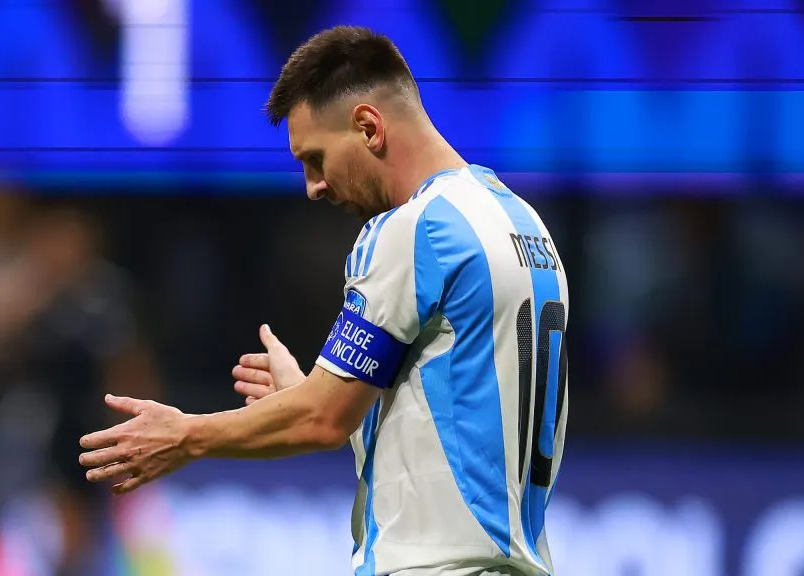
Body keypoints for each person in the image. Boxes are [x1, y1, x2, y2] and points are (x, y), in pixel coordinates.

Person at [79, 26, 570, 576]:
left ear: (368, 126)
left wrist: (188, 436)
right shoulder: (525, 226)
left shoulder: (412, 231)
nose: (312, 186)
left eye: (315, 159)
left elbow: (322, 420)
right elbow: (458, 425)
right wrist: (306, 391)